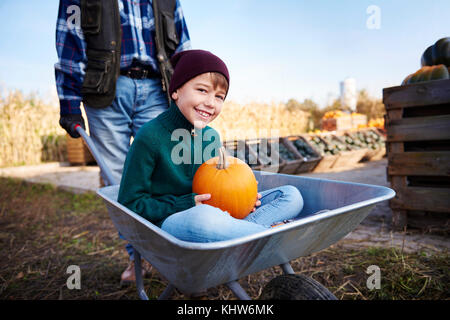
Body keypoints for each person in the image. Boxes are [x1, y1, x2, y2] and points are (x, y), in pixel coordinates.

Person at [54, 0, 191, 283]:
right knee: (117, 181)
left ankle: (172, 252)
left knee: (167, 174)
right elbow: (69, 42)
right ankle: (138, 257)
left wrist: (191, 94)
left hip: (158, 89)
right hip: (105, 91)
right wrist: (69, 102)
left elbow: (183, 49)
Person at [118, 50, 304, 243]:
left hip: (215, 212)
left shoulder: (211, 137)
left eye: (219, 96)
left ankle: (249, 231)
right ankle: (275, 234)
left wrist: (244, 198)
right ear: (176, 91)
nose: (210, 103)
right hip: (172, 220)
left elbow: (217, 185)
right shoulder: (150, 136)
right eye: (202, 90)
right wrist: (184, 203)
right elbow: (130, 203)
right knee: (204, 220)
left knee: (291, 196)